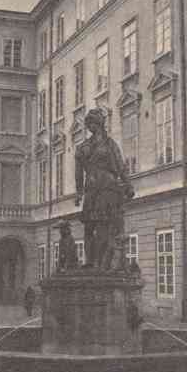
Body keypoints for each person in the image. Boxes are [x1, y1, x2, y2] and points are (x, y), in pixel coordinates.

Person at [75, 108, 134, 270]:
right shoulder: (83, 147)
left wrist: (128, 184)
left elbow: (121, 166)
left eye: (93, 122)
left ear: (100, 123)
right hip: (91, 188)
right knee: (88, 226)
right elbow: (78, 172)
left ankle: (101, 262)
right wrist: (79, 192)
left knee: (103, 225)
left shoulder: (110, 144)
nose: (90, 126)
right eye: (88, 123)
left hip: (108, 188)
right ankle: (89, 260)